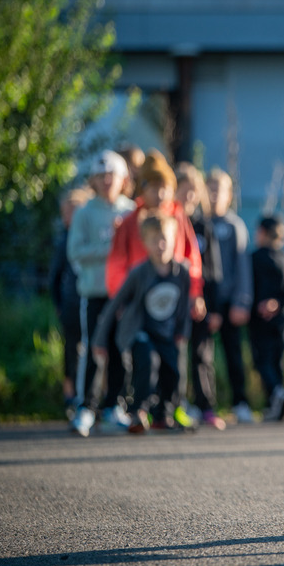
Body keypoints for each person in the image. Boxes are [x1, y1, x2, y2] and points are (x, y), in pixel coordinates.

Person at [106, 151, 205, 427]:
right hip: (139, 304)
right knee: (143, 360)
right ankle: (139, 409)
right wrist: (121, 299)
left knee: (174, 359)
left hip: (171, 302)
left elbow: (192, 257)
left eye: (166, 188)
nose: (161, 194)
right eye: (155, 187)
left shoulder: (177, 217)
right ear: (144, 188)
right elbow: (116, 264)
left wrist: (195, 293)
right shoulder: (129, 221)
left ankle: (170, 410)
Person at [93, 213, 192, 433]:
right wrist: (100, 340)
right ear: (144, 243)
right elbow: (114, 305)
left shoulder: (181, 272)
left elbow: (185, 306)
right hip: (140, 332)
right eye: (155, 240)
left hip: (166, 332)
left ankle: (162, 414)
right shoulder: (139, 273)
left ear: (175, 239)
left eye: (165, 239)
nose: (161, 245)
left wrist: (182, 332)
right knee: (147, 363)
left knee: (173, 371)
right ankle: (138, 411)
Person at [66, 150, 136, 436]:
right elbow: (76, 252)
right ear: (93, 180)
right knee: (94, 348)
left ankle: (114, 406)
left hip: (123, 294)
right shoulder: (84, 213)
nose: (107, 181)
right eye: (101, 176)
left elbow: (137, 252)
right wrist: (109, 249)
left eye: (113, 175)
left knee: (122, 349)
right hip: (94, 291)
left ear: (123, 179)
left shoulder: (131, 211)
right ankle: (86, 407)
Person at [175, 164, 226, 430]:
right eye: (184, 192)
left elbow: (214, 270)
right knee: (174, 354)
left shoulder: (203, 227)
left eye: (194, 193)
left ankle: (207, 406)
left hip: (201, 303)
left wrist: (214, 306)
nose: (189, 198)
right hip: (172, 302)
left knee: (202, 355)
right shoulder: (167, 224)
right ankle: (175, 404)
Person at [204, 168, 253, 424]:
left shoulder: (235, 225)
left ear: (228, 194)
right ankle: (204, 404)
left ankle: (240, 402)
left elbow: (242, 266)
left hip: (229, 301)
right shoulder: (198, 223)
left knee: (234, 354)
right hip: (204, 303)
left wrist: (241, 301)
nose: (213, 195)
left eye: (218, 190)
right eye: (209, 189)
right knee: (203, 355)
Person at [249, 214, 284, 422]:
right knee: (277, 360)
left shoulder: (254, 258)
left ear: (262, 233)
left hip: (260, 320)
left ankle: (276, 394)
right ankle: (277, 405)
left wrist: (264, 304)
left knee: (263, 360)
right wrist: (281, 304)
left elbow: (248, 288)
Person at [49, 186, 91, 416]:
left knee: (96, 348)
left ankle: (94, 395)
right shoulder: (64, 241)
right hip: (71, 305)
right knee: (71, 350)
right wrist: (59, 305)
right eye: (68, 212)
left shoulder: (91, 237)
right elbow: (54, 278)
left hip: (92, 302)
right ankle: (70, 396)